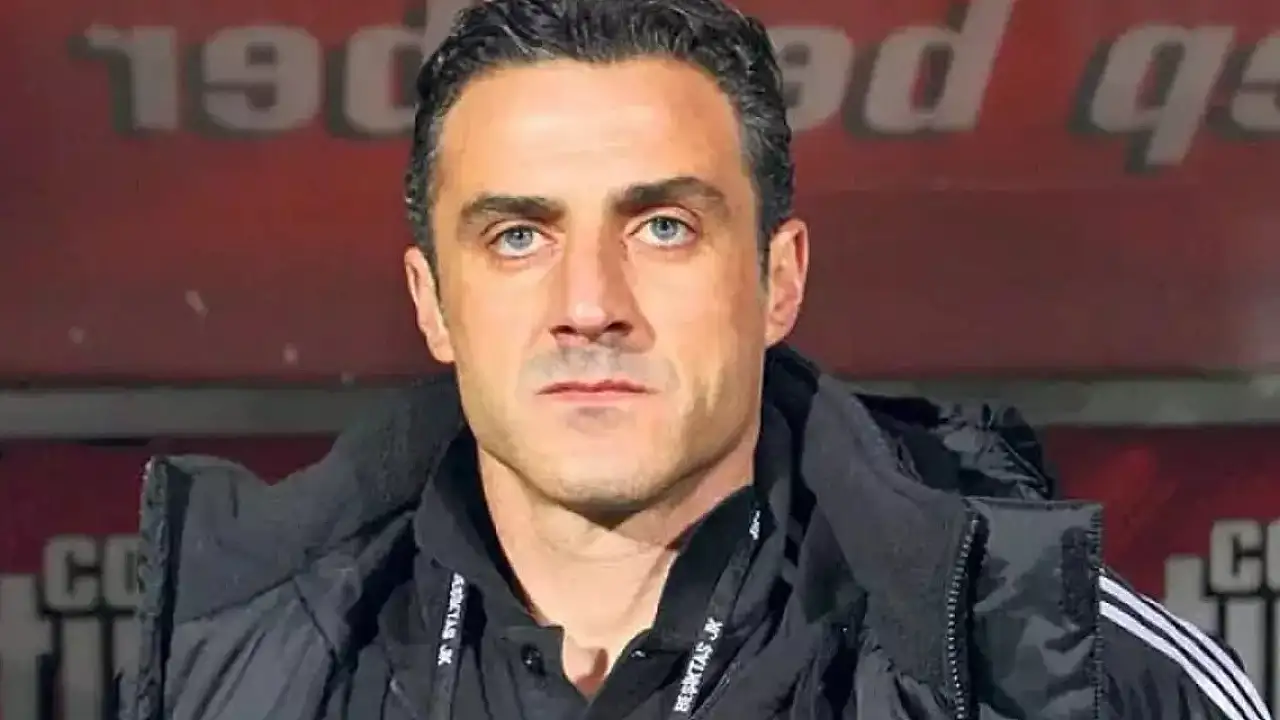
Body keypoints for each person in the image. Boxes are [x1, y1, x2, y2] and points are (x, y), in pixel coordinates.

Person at [116, 0, 1270, 718]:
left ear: (777, 280)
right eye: (517, 236)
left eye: (662, 227)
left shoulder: (1057, 667)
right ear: (432, 303)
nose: (589, 306)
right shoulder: (230, 665)